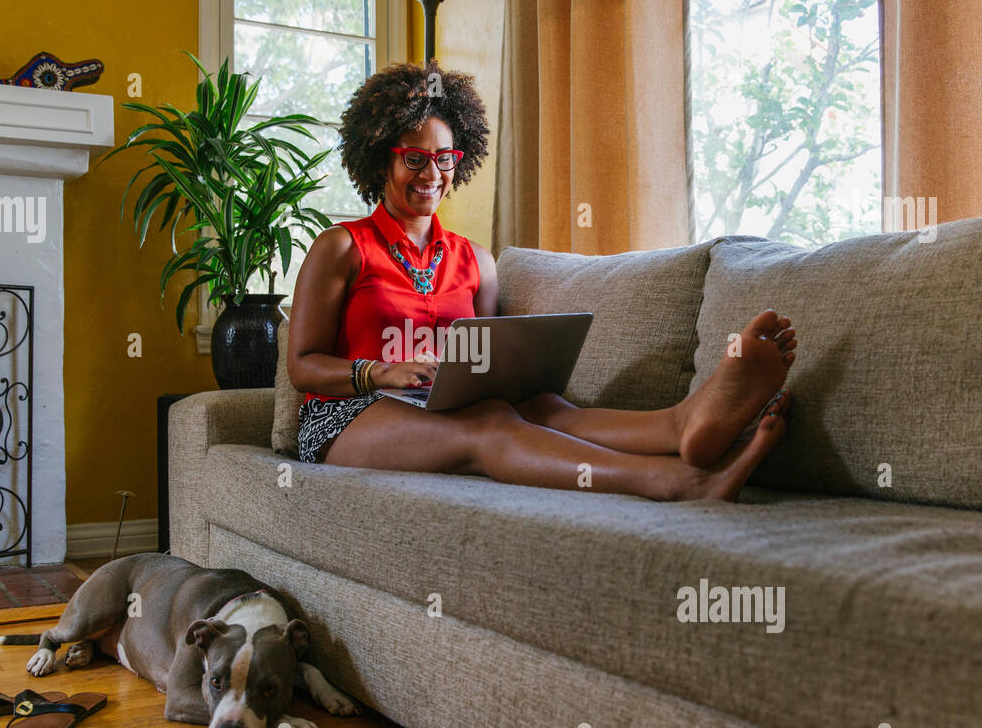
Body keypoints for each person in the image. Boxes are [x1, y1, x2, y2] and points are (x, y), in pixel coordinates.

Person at [287, 61, 796, 501]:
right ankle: (676, 481)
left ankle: (682, 424)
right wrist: (379, 372)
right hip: (348, 416)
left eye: (444, 158)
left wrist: (503, 375)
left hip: (435, 403)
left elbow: (481, 364)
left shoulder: (476, 261)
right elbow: (303, 366)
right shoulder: (342, 247)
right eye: (414, 158)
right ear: (381, 158)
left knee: (540, 406)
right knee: (488, 426)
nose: (432, 173)